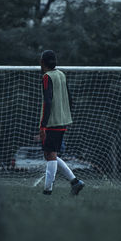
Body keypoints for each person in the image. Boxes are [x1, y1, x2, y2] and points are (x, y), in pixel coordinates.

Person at [39, 50, 84, 195]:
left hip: (52, 121)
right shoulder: (61, 74)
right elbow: (70, 97)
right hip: (63, 120)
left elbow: (48, 100)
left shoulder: (47, 77)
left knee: (50, 155)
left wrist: (43, 125)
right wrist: (67, 114)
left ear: (42, 62)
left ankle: (47, 190)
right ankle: (75, 182)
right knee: (49, 153)